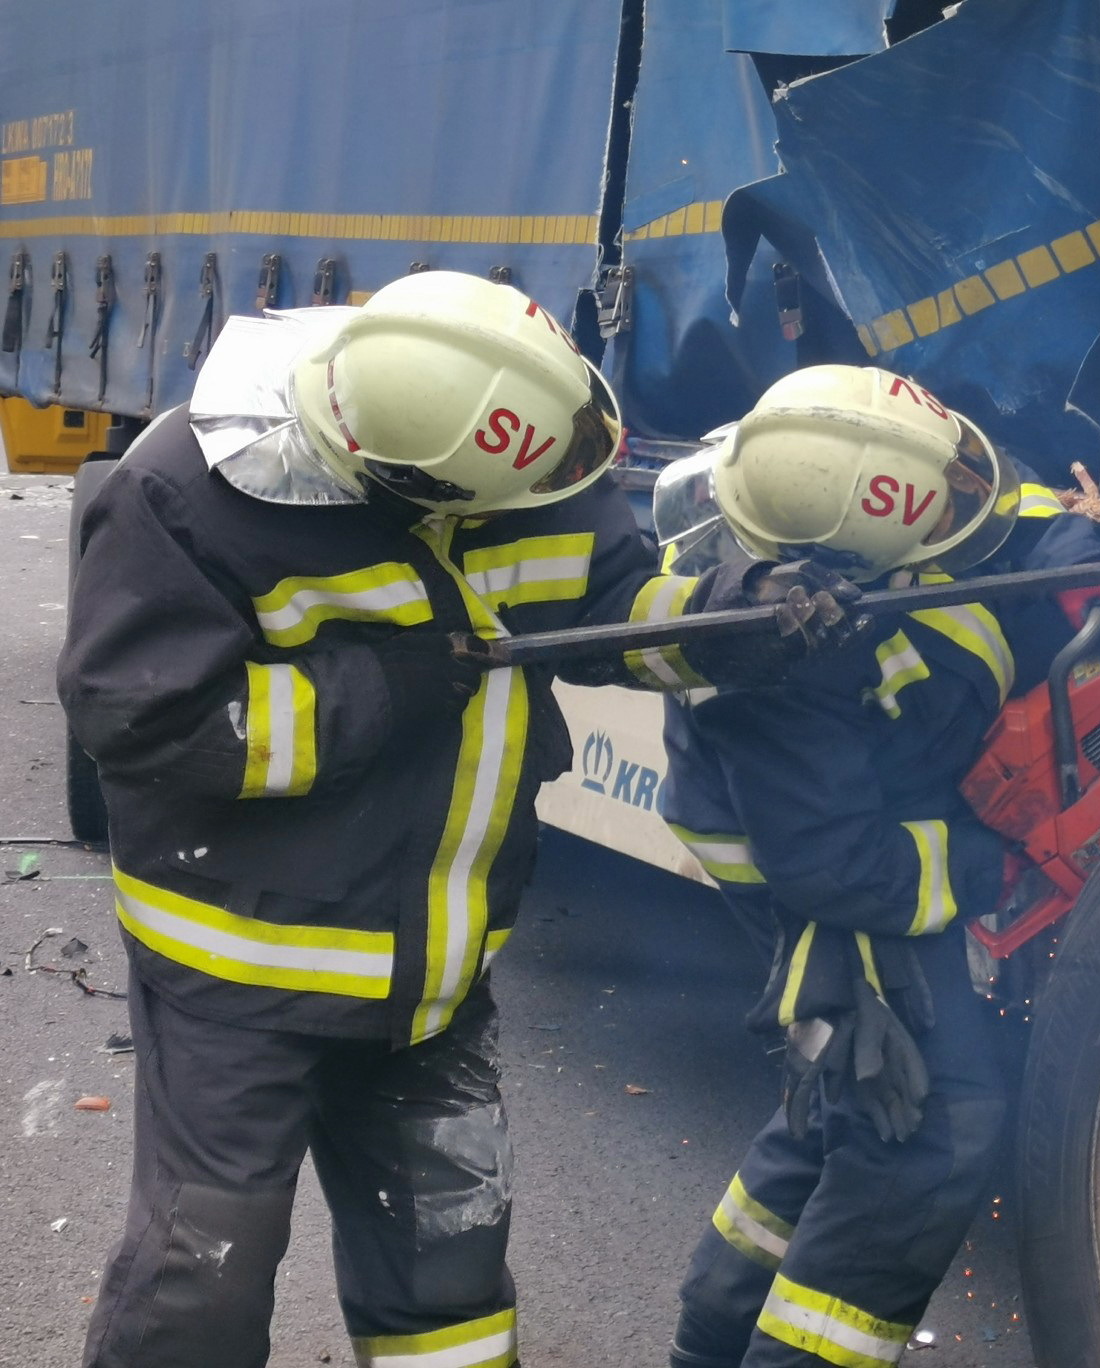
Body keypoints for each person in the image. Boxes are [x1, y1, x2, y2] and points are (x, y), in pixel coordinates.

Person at [57, 270, 858, 1368]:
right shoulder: (184, 492)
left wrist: (744, 619)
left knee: (450, 1288)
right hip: (240, 979)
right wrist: (375, 693)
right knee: (201, 1281)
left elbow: (614, 609)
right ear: (410, 478)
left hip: (435, 981)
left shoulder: (526, 455)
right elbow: (145, 722)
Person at [654, 364, 1100, 1368]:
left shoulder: (868, 489)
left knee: (842, 1111)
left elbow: (1005, 505)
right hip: (834, 909)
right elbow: (840, 866)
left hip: (843, 863)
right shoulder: (780, 661)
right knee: (933, 1130)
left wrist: (1082, 555)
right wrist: (997, 862)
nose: (956, 505)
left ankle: (714, 1338)